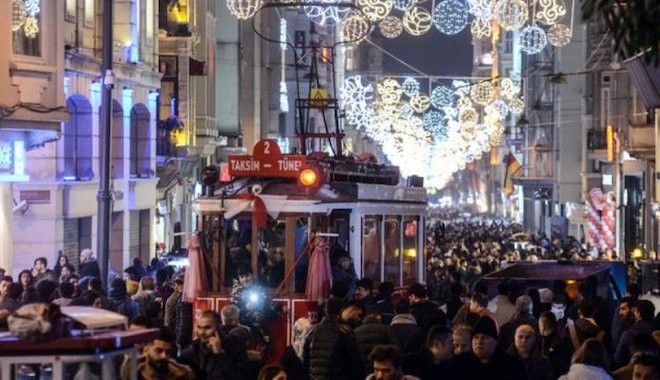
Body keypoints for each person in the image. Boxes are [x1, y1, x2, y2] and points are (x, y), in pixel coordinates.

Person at [303, 296, 365, 380]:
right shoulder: (345, 331)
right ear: (340, 310)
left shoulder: (311, 331)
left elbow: (305, 361)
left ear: (325, 310)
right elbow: (355, 361)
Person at [447, 316, 527, 380]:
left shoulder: (512, 366)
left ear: (495, 342)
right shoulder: (460, 363)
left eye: (485, 337)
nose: (479, 341)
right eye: (476, 337)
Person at [177, 310, 226, 379]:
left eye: (207, 328)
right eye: (199, 327)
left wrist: (218, 354)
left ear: (218, 328)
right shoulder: (191, 352)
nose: (202, 332)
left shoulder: (232, 348)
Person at [615, 300, 655, 368]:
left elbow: (618, 360)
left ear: (638, 313)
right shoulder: (656, 331)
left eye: (635, 311)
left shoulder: (628, 334)